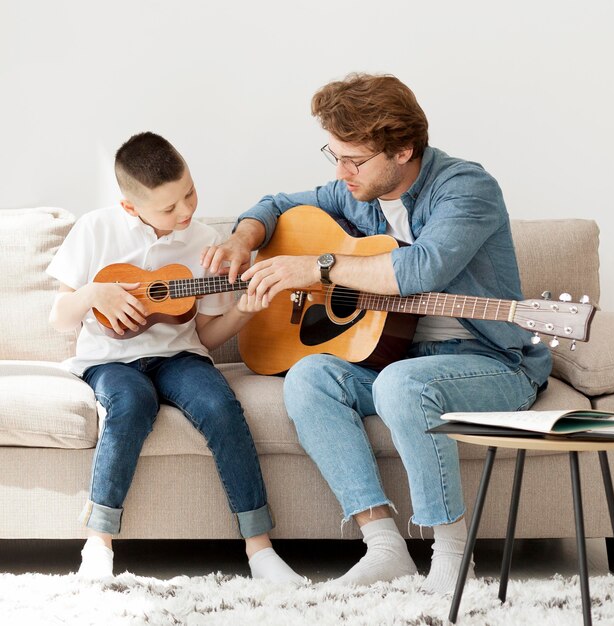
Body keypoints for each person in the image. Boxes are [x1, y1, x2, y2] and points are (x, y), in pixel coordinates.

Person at [201, 73, 552, 594]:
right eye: (334, 156)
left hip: (492, 362)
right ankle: (385, 546)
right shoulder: (358, 192)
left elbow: (419, 270)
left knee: (402, 385)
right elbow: (274, 205)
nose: (341, 173)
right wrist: (240, 238)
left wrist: (316, 267)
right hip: (403, 357)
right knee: (308, 376)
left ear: (403, 149)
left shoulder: (467, 187)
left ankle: (454, 557)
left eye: (354, 160)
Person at [47, 131, 303, 583]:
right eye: (169, 207)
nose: (185, 211)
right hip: (110, 361)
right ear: (130, 207)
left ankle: (260, 548)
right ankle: (99, 542)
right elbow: (60, 320)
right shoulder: (95, 229)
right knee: (130, 404)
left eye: (189, 192)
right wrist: (93, 292)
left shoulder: (205, 242)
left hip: (179, 356)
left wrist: (244, 310)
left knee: (220, 406)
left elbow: (207, 332)